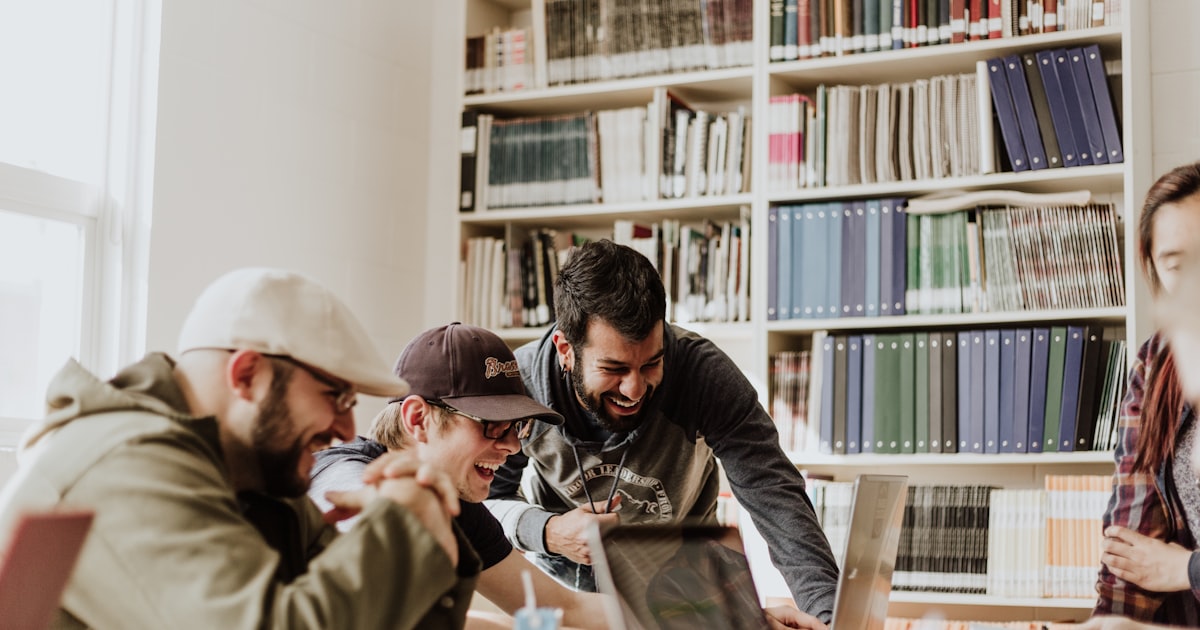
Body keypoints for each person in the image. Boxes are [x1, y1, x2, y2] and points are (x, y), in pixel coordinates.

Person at [0, 268, 478, 629]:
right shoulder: (126, 464)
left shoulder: (253, 475)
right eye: (335, 396)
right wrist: (403, 524)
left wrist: (430, 526)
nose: (346, 428)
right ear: (247, 375)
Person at [485, 239, 840, 628]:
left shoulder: (703, 374)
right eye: (614, 369)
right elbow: (485, 502)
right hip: (566, 596)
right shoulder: (520, 387)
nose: (634, 389)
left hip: (686, 586)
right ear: (565, 349)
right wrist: (548, 531)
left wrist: (829, 615)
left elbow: (775, 494)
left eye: (651, 363)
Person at [308, 322, 610, 630]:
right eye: (493, 424)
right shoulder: (339, 471)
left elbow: (565, 607)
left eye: (516, 426)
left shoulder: (458, 504)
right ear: (418, 419)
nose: (513, 445)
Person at [1096, 161, 1200, 624]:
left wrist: (1186, 569)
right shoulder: (1156, 363)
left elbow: (1167, 566)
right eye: (1177, 265)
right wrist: (1111, 622)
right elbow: (1131, 545)